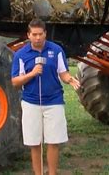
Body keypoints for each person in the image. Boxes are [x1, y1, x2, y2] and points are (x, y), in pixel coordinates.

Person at [11, 18, 80, 175]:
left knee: (53, 141)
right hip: (30, 102)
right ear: (28, 35)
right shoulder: (20, 55)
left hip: (54, 101)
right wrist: (33, 73)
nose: (37, 38)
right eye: (34, 34)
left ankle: (52, 173)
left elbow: (63, 72)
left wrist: (70, 79)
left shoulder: (56, 50)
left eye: (40, 34)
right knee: (35, 143)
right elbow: (15, 81)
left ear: (45, 34)